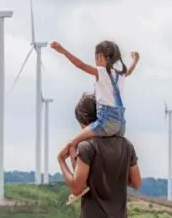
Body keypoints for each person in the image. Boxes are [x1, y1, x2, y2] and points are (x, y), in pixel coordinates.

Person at [51, 40, 140, 201]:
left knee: (72, 144)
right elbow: (130, 71)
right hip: (121, 125)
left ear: (102, 57)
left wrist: (63, 50)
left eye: (97, 56)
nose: (96, 60)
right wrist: (135, 60)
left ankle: (81, 183)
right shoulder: (120, 75)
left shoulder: (101, 72)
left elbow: (79, 64)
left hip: (105, 121)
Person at [57, 93, 141, 218]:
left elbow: (77, 187)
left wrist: (61, 161)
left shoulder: (86, 147)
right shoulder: (126, 145)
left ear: (83, 121)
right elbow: (136, 182)